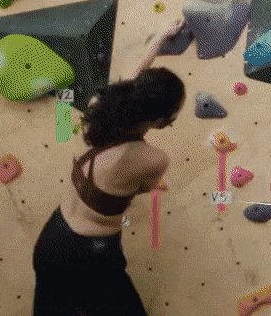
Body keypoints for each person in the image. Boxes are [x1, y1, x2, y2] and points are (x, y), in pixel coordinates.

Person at [32, 18, 188, 316]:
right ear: (160, 120)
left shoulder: (100, 107)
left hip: (53, 237)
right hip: (88, 254)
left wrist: (160, 38)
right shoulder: (152, 159)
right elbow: (146, 186)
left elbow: (132, 77)